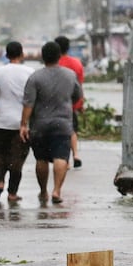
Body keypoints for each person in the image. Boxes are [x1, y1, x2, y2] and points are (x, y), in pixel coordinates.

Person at [20, 40, 83, 206]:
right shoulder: (70, 75)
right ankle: (57, 190)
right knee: (61, 157)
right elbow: (77, 96)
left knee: (41, 159)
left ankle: (43, 191)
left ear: (43, 57)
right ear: (59, 56)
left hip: (39, 125)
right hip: (63, 124)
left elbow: (28, 104)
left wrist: (23, 124)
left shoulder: (35, 77)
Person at [0, 41, 35, 203]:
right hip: (21, 124)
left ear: (6, 55)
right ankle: (12, 193)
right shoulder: (30, 72)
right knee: (17, 159)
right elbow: (33, 98)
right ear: (21, 54)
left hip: (1, 121)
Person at [55, 35, 85, 169]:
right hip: (71, 102)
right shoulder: (77, 63)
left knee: (60, 132)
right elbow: (79, 85)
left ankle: (64, 159)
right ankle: (76, 154)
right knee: (72, 129)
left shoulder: (54, 63)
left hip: (56, 103)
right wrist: (80, 104)